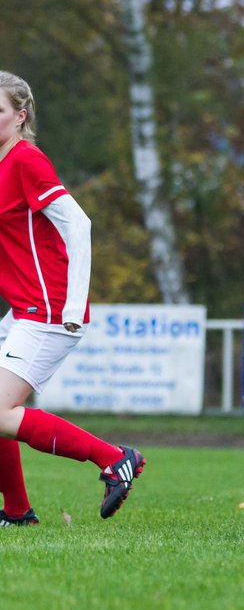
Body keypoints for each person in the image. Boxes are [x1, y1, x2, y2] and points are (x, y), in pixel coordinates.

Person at [0, 71, 144, 527]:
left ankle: (115, 458)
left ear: (21, 116)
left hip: (49, 309)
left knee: (0, 412)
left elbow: (79, 226)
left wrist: (72, 306)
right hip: (23, 308)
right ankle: (18, 512)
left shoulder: (26, 161)